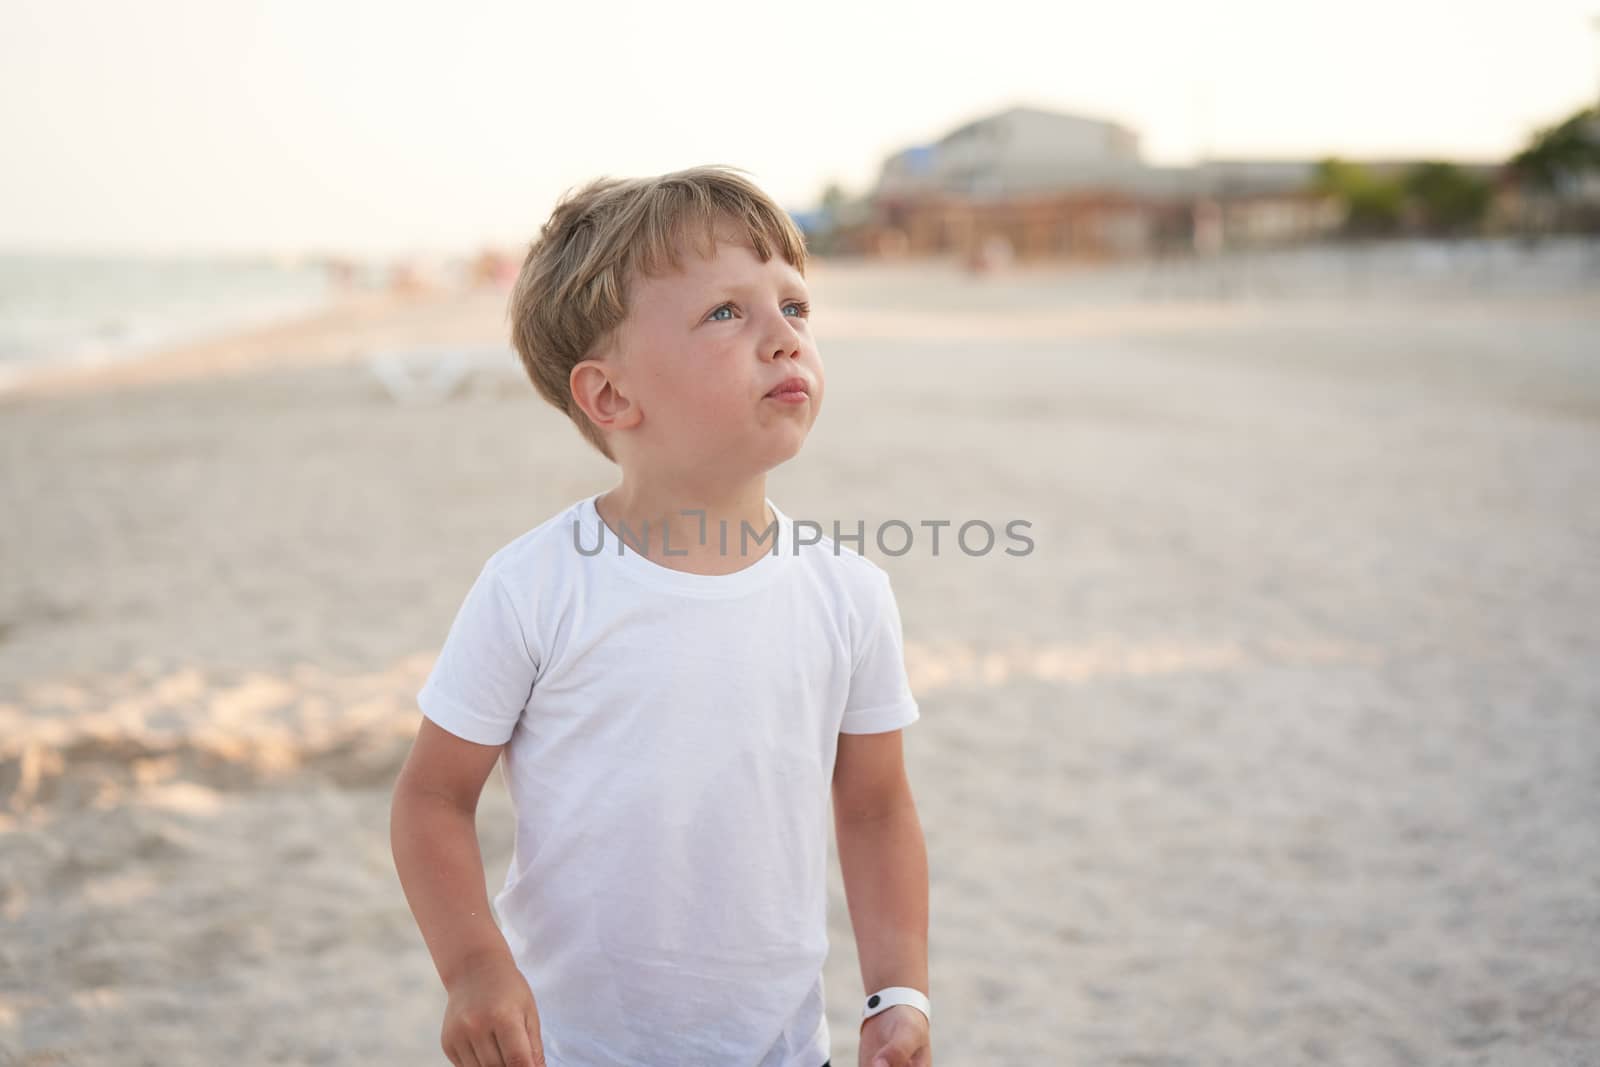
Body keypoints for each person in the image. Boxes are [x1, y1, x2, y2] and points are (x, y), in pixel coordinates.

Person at [389, 165, 932, 1067]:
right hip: (574, 1049)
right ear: (609, 396)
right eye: (727, 313)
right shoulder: (537, 586)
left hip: (787, 1050)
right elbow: (432, 797)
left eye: (794, 307)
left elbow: (875, 809)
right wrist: (476, 967)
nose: (782, 339)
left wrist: (899, 991)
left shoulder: (848, 592)